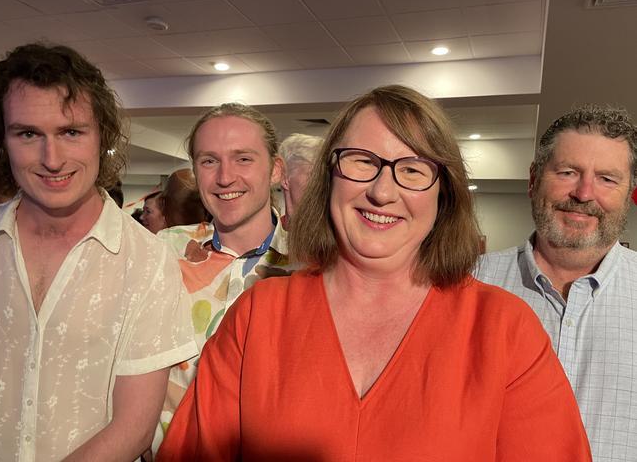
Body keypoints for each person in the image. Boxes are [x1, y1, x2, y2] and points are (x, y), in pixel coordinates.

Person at [157, 85, 591, 461]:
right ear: (330, 176)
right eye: (362, 161)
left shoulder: (504, 330)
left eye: (413, 170)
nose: (382, 192)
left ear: (444, 194)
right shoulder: (258, 315)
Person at [0, 43, 197, 461]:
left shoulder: (147, 261)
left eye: (71, 132)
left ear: (102, 137)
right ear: (3, 141)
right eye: (28, 134)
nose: (52, 158)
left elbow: (134, 428)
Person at [475, 105, 637, 461]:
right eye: (567, 172)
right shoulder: (465, 285)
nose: (583, 193)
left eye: (607, 179)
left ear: (629, 195)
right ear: (534, 180)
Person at [151, 103, 299, 454]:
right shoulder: (163, 252)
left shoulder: (312, 265)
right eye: (209, 161)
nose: (225, 177)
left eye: (243, 159)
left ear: (276, 170)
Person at [278, 133, 323, 228]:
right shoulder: (266, 238)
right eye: (314, 176)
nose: (323, 184)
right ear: (284, 178)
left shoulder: (343, 237)